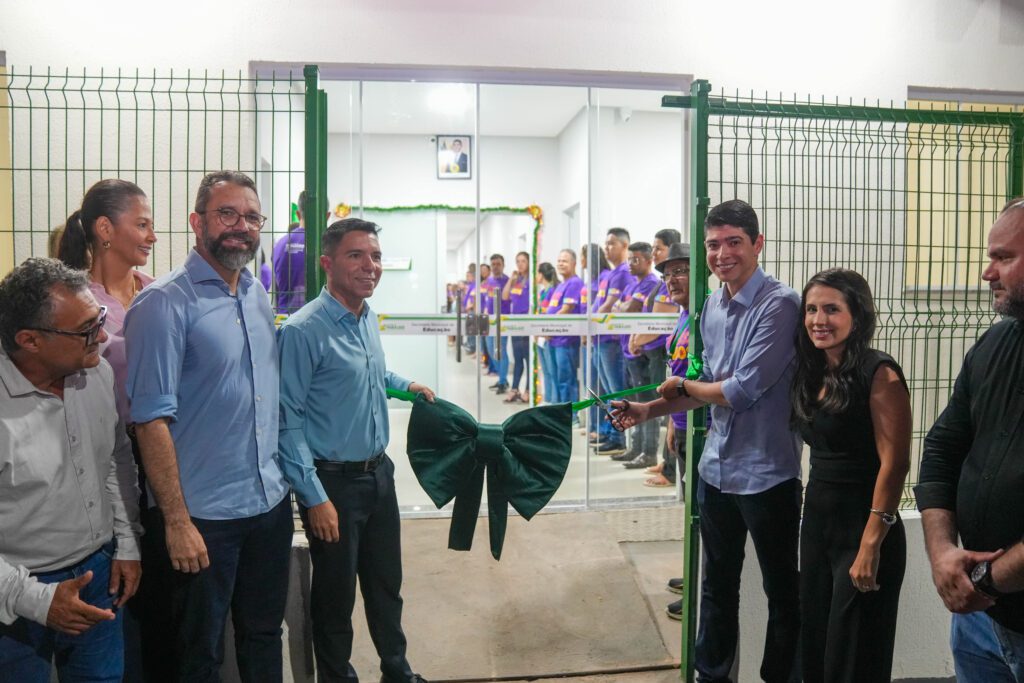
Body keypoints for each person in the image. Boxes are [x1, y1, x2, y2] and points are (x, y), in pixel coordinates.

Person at [611, 199, 802, 681]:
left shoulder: (781, 305)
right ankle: (711, 676)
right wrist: (648, 410)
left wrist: (682, 385)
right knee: (716, 588)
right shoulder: (712, 306)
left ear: (758, 244)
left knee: (782, 593)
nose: (722, 254)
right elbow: (707, 387)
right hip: (716, 472)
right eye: (713, 245)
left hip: (768, 477)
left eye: (734, 242)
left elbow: (738, 391)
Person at [124, 170, 293, 681]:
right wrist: (176, 522)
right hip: (203, 519)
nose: (242, 226)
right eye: (227, 214)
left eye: (252, 217)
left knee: (265, 636)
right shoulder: (163, 304)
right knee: (197, 655)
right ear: (197, 222)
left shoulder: (257, 295)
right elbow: (149, 421)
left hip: (268, 506)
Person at [278, 217, 434, 683]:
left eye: (376, 256)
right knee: (335, 597)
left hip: (379, 475)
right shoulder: (303, 330)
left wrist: (406, 385)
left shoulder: (366, 318)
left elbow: (373, 374)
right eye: (356, 256)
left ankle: (396, 670)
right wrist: (314, 496)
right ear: (327, 263)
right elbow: (287, 420)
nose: (370, 266)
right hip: (334, 485)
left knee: (387, 586)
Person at [0, 257, 143, 682]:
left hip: (99, 575)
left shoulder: (94, 373)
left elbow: (115, 460)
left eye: (99, 319)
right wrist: (37, 600)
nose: (103, 336)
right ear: (29, 340)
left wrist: (127, 543)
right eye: (86, 329)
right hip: (14, 598)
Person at [56, 178, 161, 680]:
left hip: (160, 453)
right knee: (118, 597)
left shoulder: (155, 292)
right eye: (142, 224)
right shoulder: (76, 303)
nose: (152, 236)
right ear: (104, 229)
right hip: (106, 460)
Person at [916, 197, 1024, 682]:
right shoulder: (993, 345)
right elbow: (942, 449)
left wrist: (983, 580)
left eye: (1003, 257)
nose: (987, 272)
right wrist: (942, 553)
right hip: (979, 622)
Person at [792, 268, 911, 683]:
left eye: (831, 309)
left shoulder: (880, 374)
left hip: (864, 530)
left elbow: (895, 463)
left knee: (854, 659)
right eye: (811, 309)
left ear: (857, 316)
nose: (818, 320)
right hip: (818, 528)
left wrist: (870, 545)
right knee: (816, 647)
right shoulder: (813, 371)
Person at [611, 242, 662, 469]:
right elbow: (618, 308)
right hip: (628, 351)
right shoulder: (633, 284)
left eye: (636, 259)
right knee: (632, 403)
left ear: (649, 261)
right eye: (629, 259)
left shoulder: (650, 283)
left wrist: (622, 307)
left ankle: (648, 452)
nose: (631, 263)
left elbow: (629, 309)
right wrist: (622, 307)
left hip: (642, 353)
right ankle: (636, 447)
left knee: (646, 404)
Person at [640, 228, 684, 486]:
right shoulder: (680, 314)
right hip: (678, 411)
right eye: (668, 275)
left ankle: (669, 469)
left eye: (658, 248)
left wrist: (639, 339)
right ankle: (668, 462)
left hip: (659, 354)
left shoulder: (697, 313)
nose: (654, 252)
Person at [592, 228, 633, 456]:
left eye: (612, 243)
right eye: (606, 244)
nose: (606, 248)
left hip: (611, 340)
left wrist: (591, 323)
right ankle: (611, 431)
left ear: (625, 245)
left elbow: (608, 306)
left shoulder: (623, 272)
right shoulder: (610, 274)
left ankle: (618, 437)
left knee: (616, 391)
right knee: (607, 391)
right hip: (600, 338)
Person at [272, 190, 329, 315]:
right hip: (316, 316)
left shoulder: (279, 243)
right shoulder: (325, 244)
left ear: (298, 214)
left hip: (283, 316)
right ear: (327, 216)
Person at [544, 249, 584, 409]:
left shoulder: (575, 283)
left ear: (574, 263)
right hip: (554, 340)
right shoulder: (561, 285)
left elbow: (566, 309)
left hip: (566, 341)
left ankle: (571, 414)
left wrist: (549, 328)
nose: (561, 264)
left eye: (565, 261)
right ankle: (559, 412)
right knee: (556, 379)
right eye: (559, 261)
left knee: (566, 380)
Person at [581, 243, 610, 432]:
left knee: (602, 386)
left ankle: (604, 428)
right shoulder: (591, 280)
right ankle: (594, 426)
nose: (581, 261)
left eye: (583, 256)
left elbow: (602, 306)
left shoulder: (604, 277)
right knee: (591, 384)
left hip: (601, 337)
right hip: (590, 337)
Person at [502, 250, 531, 403]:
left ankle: (528, 390)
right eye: (518, 261)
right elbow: (505, 296)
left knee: (528, 359)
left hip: (527, 323)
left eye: (523, 261)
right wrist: (511, 280)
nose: (520, 264)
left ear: (529, 263)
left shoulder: (532, 280)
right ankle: (515, 388)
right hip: (515, 324)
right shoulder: (516, 280)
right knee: (518, 358)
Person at [483, 253, 510, 394]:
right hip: (489, 321)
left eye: (498, 264)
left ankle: (503, 381)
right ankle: (501, 378)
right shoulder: (488, 281)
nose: (495, 267)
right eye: (493, 264)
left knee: (501, 351)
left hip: (502, 322)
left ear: (503, 265)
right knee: (491, 350)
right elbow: (486, 300)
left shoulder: (507, 281)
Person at [536, 262, 559, 404]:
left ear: (541, 274)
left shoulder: (552, 291)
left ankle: (554, 402)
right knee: (545, 371)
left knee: (552, 371)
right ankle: (548, 399)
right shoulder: (542, 292)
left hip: (548, 336)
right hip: (540, 336)